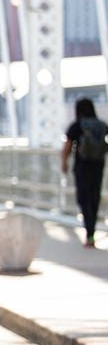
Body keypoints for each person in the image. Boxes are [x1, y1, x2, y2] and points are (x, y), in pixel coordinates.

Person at [61, 97, 107, 248]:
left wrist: (64, 162)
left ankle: (89, 233)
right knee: (94, 198)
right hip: (98, 166)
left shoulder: (77, 125)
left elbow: (68, 146)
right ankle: (91, 233)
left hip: (82, 167)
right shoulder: (101, 125)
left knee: (83, 199)